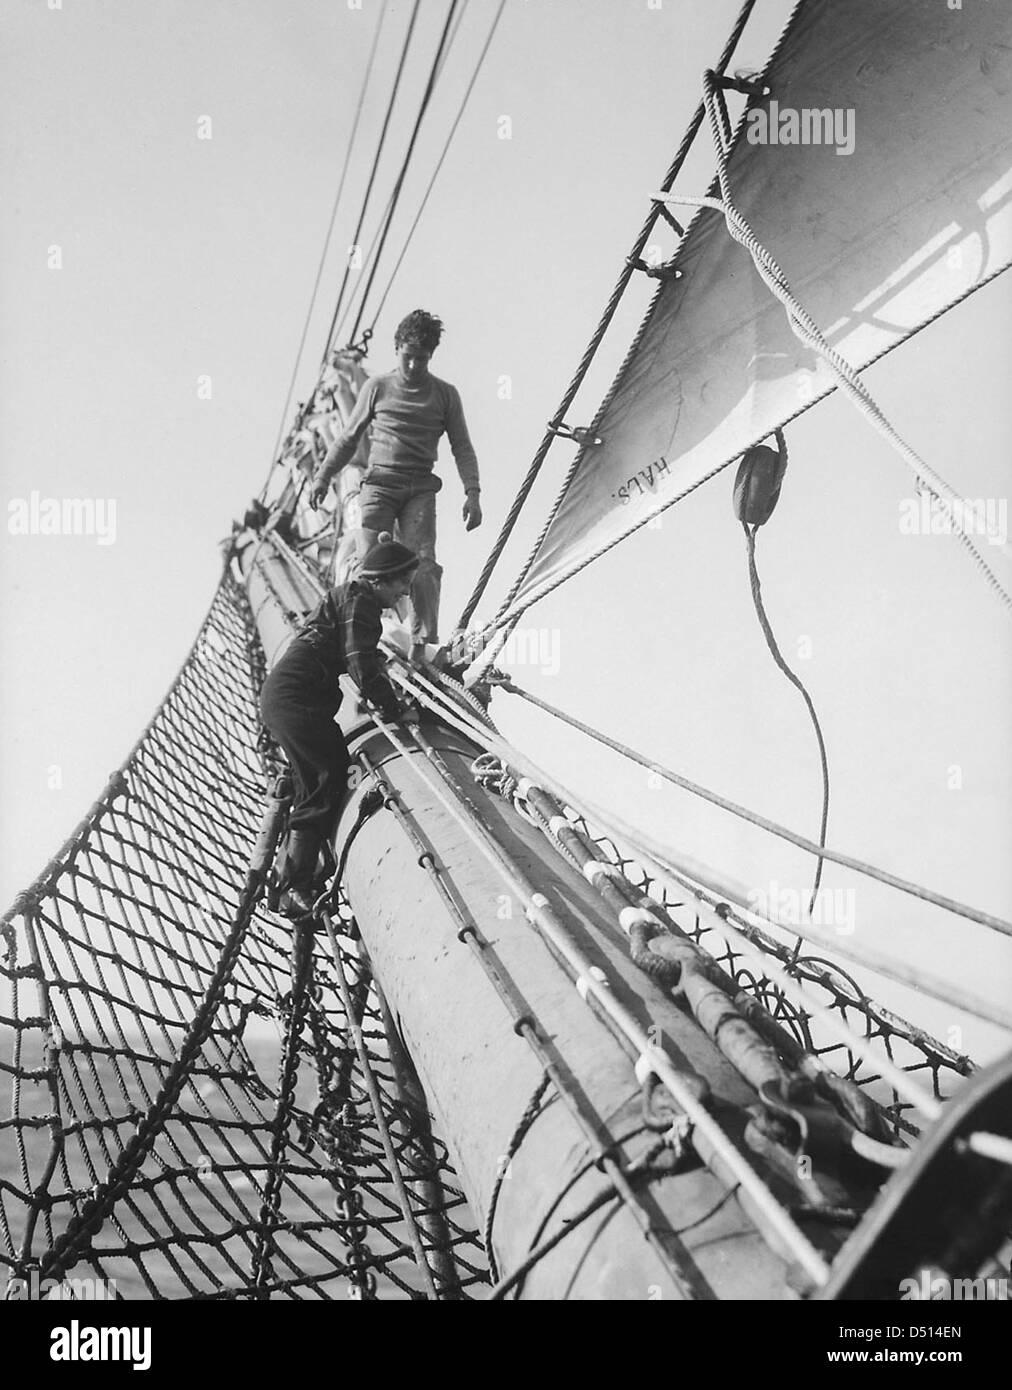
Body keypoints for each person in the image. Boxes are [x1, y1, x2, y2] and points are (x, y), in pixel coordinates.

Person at [260, 532, 420, 915]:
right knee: (327, 774)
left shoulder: (350, 597)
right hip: (295, 700)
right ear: (380, 579)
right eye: (401, 584)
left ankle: (292, 877)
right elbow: (361, 662)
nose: (403, 595)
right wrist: (395, 709)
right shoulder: (360, 601)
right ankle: (296, 884)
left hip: (288, 700)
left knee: (321, 773)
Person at [309, 309, 482, 661]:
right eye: (408, 356)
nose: (414, 365)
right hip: (379, 487)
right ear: (397, 348)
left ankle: (420, 645)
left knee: (424, 565)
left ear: (431, 356)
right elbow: (347, 437)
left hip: (419, 490)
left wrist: (472, 492)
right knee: (367, 568)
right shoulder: (377, 388)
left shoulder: (445, 395)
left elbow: (462, 446)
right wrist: (323, 477)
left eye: (422, 358)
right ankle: (354, 640)